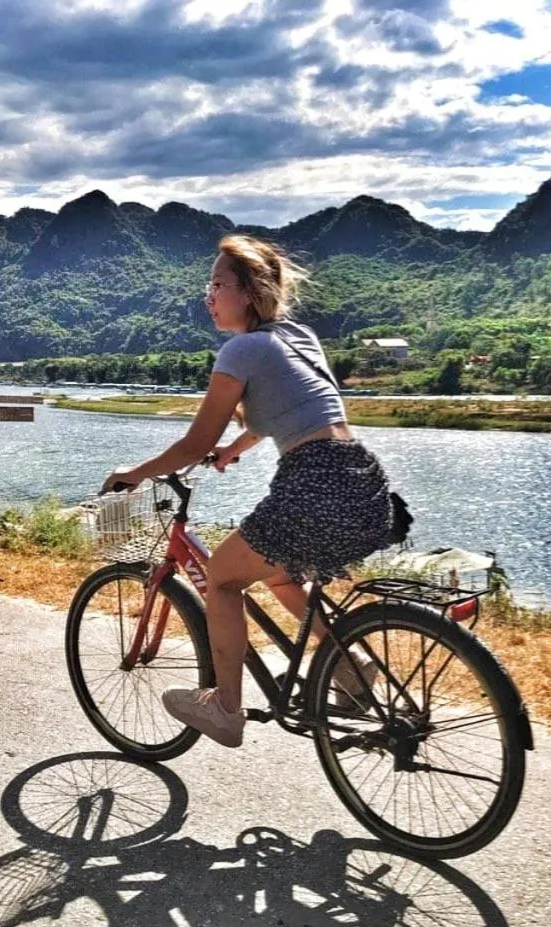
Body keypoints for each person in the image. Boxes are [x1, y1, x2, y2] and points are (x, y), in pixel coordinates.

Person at [101, 234, 398, 748]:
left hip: (315, 482)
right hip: (364, 481)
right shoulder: (299, 337)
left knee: (220, 579)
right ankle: (352, 665)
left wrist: (139, 471)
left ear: (250, 291)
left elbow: (196, 441)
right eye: (207, 285)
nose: (208, 296)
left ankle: (224, 708)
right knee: (282, 576)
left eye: (218, 284)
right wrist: (236, 449)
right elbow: (285, 410)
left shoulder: (241, 349)